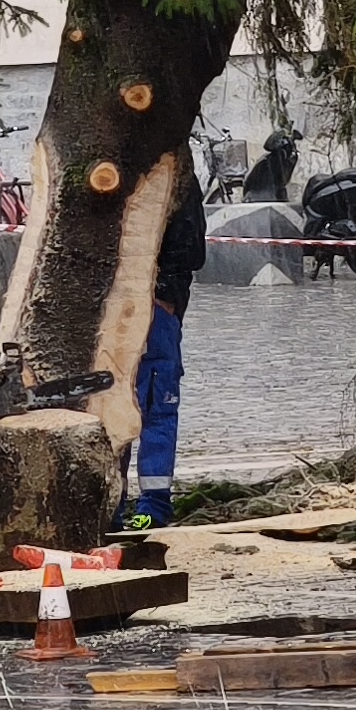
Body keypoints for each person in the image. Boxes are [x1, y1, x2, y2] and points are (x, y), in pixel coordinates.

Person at [124, 179, 206, 530]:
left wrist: (163, 295)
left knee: (156, 405)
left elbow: (191, 249)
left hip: (157, 307)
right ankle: (111, 500)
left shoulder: (176, 178)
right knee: (110, 403)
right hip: (117, 308)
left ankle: (154, 504)